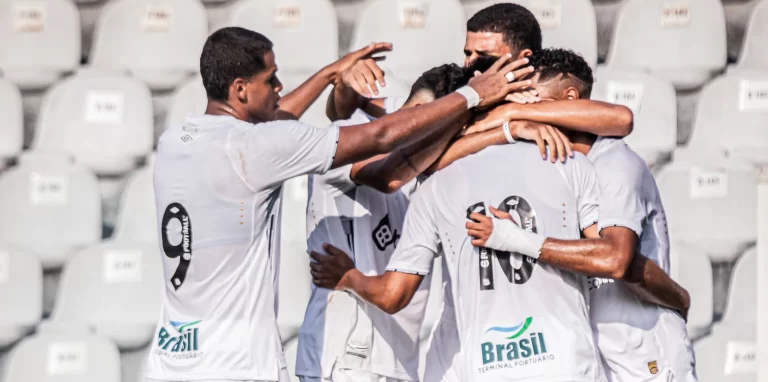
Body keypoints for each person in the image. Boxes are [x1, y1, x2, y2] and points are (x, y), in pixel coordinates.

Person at [146, 26, 532, 382]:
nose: (280, 87)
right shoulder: (257, 148)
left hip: (170, 360)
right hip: (236, 365)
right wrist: (476, 99)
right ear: (241, 89)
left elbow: (271, 126)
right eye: (271, 80)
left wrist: (331, 74)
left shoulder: (176, 140)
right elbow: (383, 145)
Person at [309, 107, 610, 381]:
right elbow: (607, 262)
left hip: (484, 364)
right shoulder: (568, 162)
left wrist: (349, 277)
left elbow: (394, 294)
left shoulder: (435, 188)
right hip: (564, 362)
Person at [466, 49, 697, 381]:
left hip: (646, 356)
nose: (525, 115)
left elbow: (616, 260)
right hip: (586, 359)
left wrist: (515, 239)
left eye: (532, 99)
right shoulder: (553, 171)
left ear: (570, 98)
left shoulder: (616, 164)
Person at [326, 3, 547, 122]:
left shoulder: (549, 99)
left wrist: (515, 113)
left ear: (524, 58)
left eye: (483, 54)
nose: (470, 62)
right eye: (468, 53)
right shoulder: (448, 90)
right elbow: (346, 112)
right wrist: (345, 85)